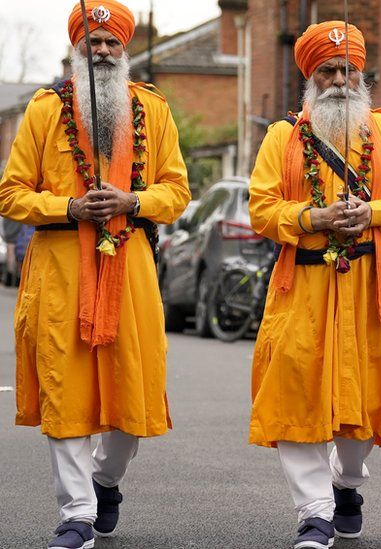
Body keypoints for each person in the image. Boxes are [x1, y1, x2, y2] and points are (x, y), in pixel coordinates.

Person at [0, 2, 191, 547]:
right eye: (94, 42)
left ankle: (105, 480)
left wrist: (133, 199)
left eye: (112, 43)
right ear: (76, 49)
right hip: (60, 271)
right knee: (67, 392)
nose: (103, 52)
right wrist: (69, 207)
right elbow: (11, 194)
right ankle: (77, 513)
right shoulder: (43, 109)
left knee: (134, 395)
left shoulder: (152, 110)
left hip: (129, 268)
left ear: (124, 50)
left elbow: (176, 190)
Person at [247, 20, 381, 549]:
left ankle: (347, 482)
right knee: (296, 397)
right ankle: (315, 511)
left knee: (367, 404)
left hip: (369, 289)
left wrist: (372, 210)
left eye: (348, 70)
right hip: (301, 289)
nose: (339, 80)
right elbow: (261, 208)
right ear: (310, 77)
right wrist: (313, 218)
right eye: (327, 70)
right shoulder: (283, 135)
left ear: (361, 74)